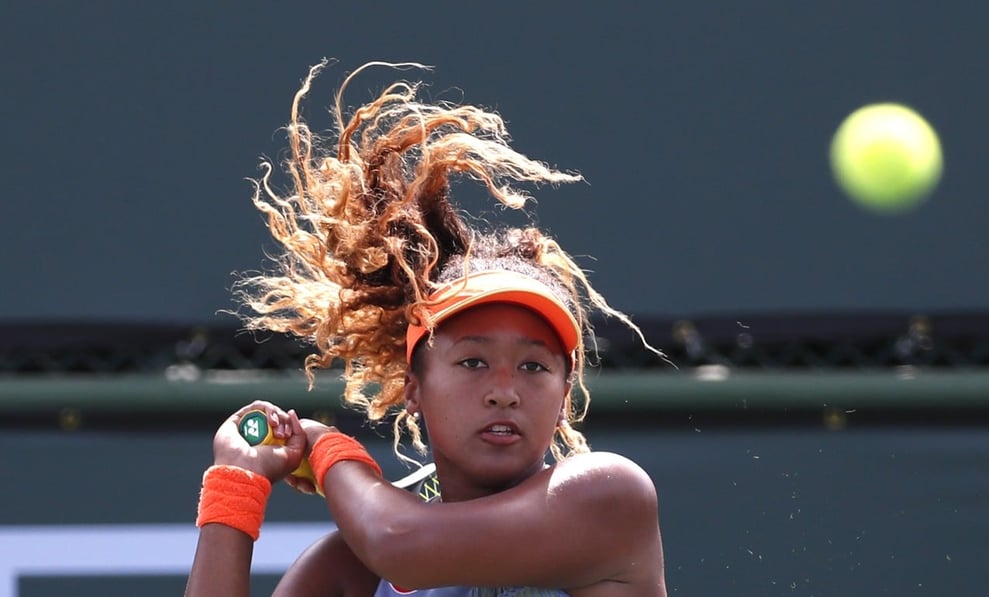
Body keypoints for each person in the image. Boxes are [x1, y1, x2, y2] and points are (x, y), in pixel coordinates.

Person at [184, 60, 668, 596]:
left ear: (564, 395)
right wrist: (236, 485)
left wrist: (327, 452)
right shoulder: (351, 567)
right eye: (473, 362)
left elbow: (399, 543)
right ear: (412, 388)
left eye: (534, 367)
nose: (504, 392)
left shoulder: (609, 496)